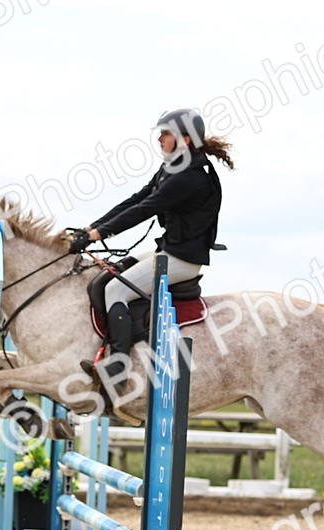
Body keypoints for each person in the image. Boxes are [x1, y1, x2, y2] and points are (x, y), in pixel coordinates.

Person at [82, 108, 235, 393]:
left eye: (166, 134)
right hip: (169, 251)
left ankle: (118, 365)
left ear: (185, 140)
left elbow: (145, 209)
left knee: (115, 290)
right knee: (108, 273)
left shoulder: (189, 177)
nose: (160, 139)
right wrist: (93, 227)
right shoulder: (176, 166)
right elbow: (139, 197)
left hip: (182, 260)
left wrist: (98, 234)